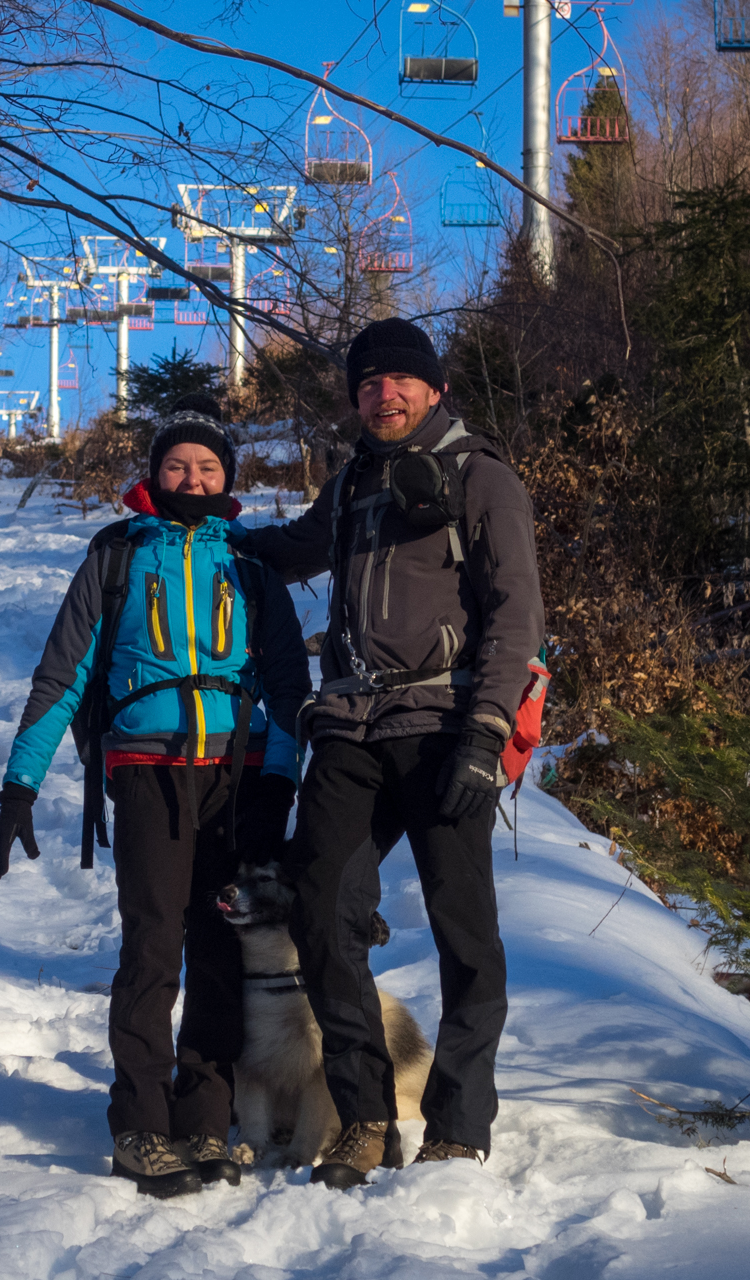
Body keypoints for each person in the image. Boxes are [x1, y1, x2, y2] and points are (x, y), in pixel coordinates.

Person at [240, 318, 545, 1188]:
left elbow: (517, 614)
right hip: (349, 725)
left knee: (464, 932)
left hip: (448, 725)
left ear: (435, 387)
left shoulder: (481, 477)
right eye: (369, 383)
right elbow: (290, 547)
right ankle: (364, 1118)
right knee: (320, 906)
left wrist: (488, 731)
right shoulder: (351, 484)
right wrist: (199, 530)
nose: (385, 394)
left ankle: (456, 1124)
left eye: (401, 381)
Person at [0, 398, 311, 1199]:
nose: (192, 477)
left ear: (227, 478)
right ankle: (139, 1125)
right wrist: (19, 782)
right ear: (152, 472)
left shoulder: (252, 561)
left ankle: (205, 1120)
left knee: (219, 945)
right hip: (145, 770)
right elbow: (60, 676)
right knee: (153, 946)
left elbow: (288, 688)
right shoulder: (118, 553)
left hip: (234, 774)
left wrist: (281, 774)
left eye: (208, 467)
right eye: (178, 465)